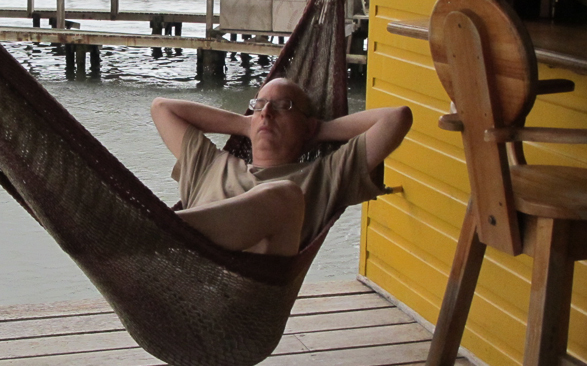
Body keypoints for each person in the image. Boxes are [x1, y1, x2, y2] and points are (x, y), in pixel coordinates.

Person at [151, 78, 412, 257]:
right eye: (259, 106)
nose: (267, 112)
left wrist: (318, 130)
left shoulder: (326, 175)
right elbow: (162, 108)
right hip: (184, 269)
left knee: (285, 195)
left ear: (307, 125)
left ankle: (157, 230)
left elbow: (397, 118)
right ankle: (161, 231)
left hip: (246, 291)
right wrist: (249, 124)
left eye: (283, 106)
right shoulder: (209, 163)